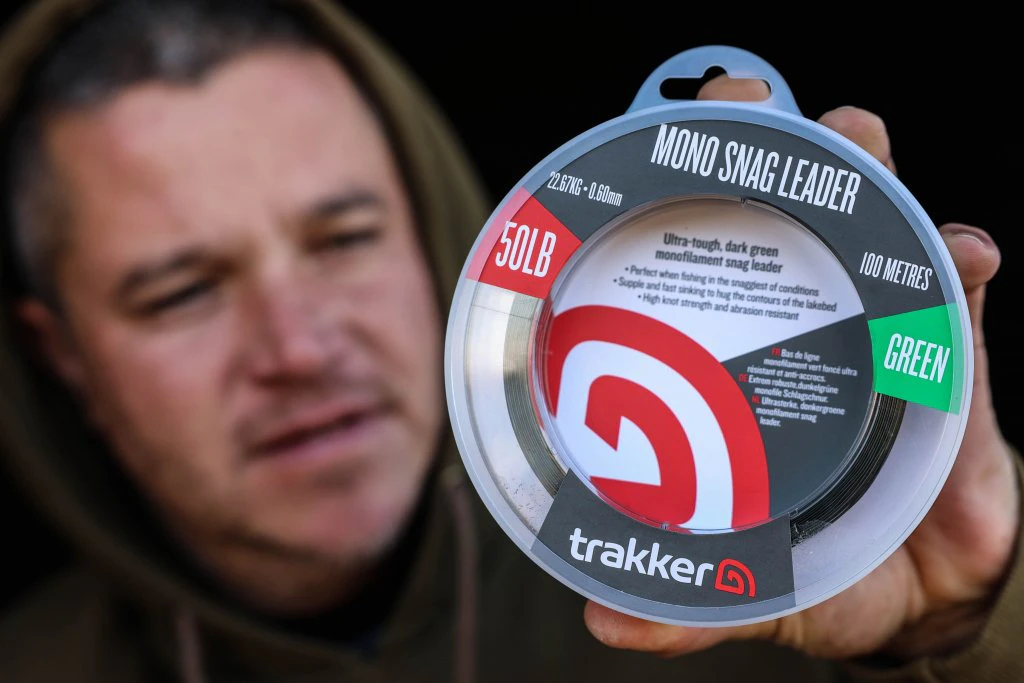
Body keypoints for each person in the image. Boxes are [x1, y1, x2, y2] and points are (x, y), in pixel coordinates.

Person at [0, 1, 1018, 682]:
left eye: (345, 238)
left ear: (435, 232)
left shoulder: (776, 610)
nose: (299, 346)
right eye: (182, 292)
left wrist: (966, 622)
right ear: (62, 357)